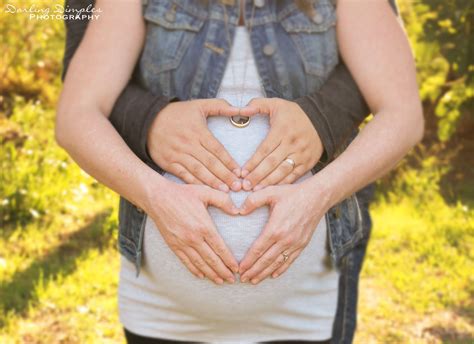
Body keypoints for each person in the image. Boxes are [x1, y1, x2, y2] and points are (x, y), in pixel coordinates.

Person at [56, 0, 423, 343]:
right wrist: (157, 196)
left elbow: (401, 114)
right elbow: (77, 115)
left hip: (305, 309)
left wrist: (316, 197)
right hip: (161, 311)